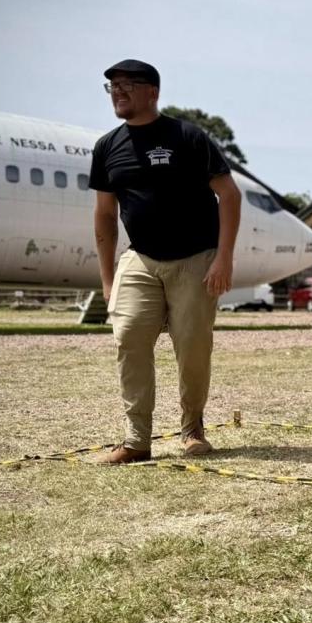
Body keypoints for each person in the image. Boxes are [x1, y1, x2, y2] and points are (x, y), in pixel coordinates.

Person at [90, 59, 240, 464]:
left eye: (126, 85)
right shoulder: (107, 147)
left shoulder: (187, 137)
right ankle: (136, 441)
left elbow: (229, 195)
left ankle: (192, 429)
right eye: (112, 87)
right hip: (140, 258)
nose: (117, 92)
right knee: (129, 337)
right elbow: (104, 215)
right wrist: (108, 280)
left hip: (195, 258)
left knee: (192, 347)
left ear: (152, 92)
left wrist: (223, 257)